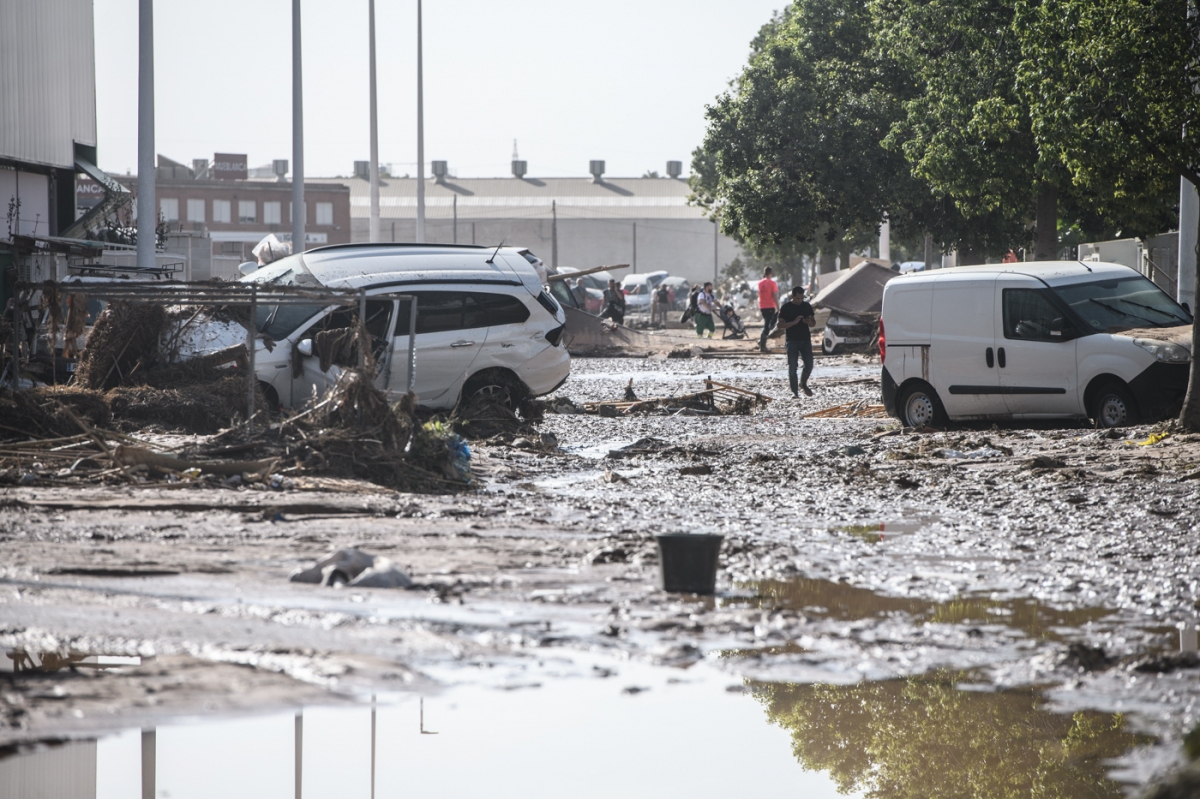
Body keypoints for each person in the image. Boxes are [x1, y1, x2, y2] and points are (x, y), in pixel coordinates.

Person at [775, 285, 816, 398]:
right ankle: (794, 392)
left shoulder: (807, 306)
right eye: (797, 298)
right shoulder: (786, 308)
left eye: (802, 298)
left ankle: (803, 383)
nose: (800, 300)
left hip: (805, 340)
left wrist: (808, 322)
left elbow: (813, 323)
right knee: (792, 367)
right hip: (792, 340)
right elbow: (779, 325)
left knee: (809, 365)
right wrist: (793, 323)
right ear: (792, 296)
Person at [756, 266, 779, 352]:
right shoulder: (772, 283)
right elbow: (775, 296)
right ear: (770, 274)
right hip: (770, 306)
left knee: (768, 323)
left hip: (762, 306)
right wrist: (778, 307)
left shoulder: (759, 283)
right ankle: (762, 346)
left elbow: (759, 295)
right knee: (767, 325)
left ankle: (761, 341)